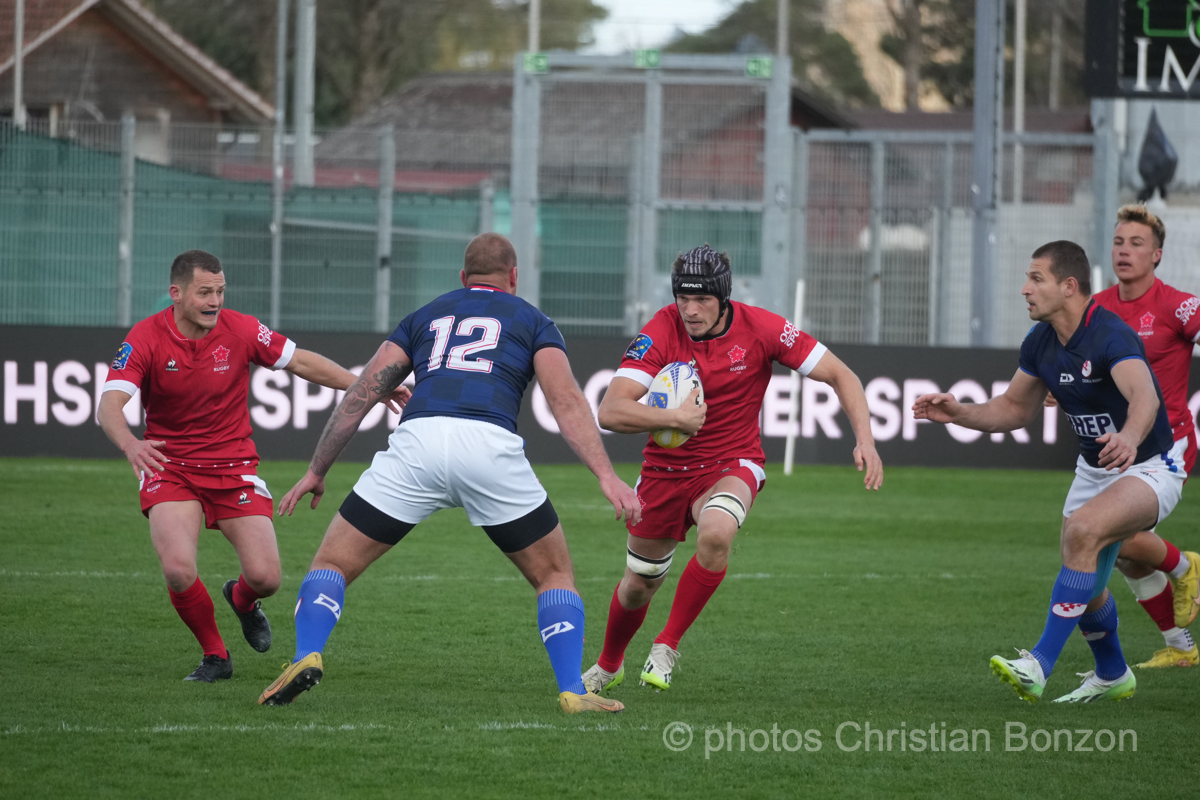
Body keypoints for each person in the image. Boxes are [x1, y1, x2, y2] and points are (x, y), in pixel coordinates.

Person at [258, 233, 641, 714]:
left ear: (462, 278)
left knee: (331, 564)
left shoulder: (425, 316)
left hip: (419, 441)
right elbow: (564, 399)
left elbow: (363, 391)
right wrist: (607, 476)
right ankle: (572, 689)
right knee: (553, 574)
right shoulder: (533, 320)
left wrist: (318, 469)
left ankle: (306, 653)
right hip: (489, 447)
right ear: (514, 277)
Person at [580, 245, 883, 696]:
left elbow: (843, 375)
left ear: (723, 297)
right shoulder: (661, 329)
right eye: (683, 298)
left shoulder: (762, 328)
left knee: (717, 533)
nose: (690, 309)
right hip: (665, 473)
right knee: (638, 585)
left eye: (701, 299)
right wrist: (674, 419)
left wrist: (866, 440)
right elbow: (610, 410)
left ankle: (666, 645)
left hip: (731, 462)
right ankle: (609, 665)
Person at [98, 249, 407, 682]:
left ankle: (241, 600)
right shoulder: (146, 337)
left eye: (220, 291)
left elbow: (301, 361)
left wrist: (373, 387)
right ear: (176, 293)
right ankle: (215, 656)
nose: (215, 301)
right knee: (178, 568)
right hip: (172, 467)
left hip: (231, 466)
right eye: (205, 292)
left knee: (266, 578)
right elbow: (110, 404)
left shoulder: (240, 329)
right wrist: (131, 444)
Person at [914, 240, 1182, 703]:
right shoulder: (1041, 341)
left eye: (1036, 278)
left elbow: (1145, 398)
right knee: (1086, 579)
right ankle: (1114, 672)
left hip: (1150, 465)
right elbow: (1014, 409)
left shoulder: (1110, 335)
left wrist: (1130, 437)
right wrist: (958, 413)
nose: (1025, 289)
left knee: (1082, 533)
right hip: (1094, 470)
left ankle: (1038, 664)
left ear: (1069, 286)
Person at [1092, 205, 1199, 668]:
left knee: (1105, 536)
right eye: (1119, 242)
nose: (1124, 251)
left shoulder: (1178, 305)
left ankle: (1185, 566)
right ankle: (1181, 649)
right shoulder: (1096, 306)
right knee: (1124, 555)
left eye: (1136, 244)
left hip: (1168, 443)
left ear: (1156, 255)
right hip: (1121, 447)